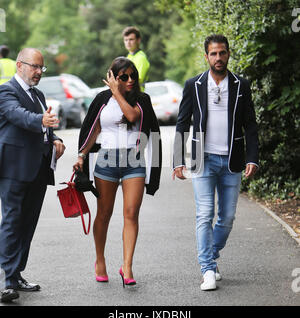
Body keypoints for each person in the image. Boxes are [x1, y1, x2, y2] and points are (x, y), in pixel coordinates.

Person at [173, 34, 259, 291]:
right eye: (213, 54)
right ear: (206, 56)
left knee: (228, 217)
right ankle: (207, 269)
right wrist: (178, 159)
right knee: (204, 214)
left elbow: (250, 125)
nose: (218, 58)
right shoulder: (194, 85)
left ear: (228, 54)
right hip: (203, 159)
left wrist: (253, 157)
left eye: (222, 53)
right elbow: (182, 122)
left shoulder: (241, 85)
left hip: (232, 160)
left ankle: (210, 255)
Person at [73, 57, 161, 287]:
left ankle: (127, 266)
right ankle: (100, 259)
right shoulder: (102, 99)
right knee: (104, 213)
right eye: (124, 77)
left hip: (134, 160)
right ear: (113, 76)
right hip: (107, 160)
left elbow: (132, 116)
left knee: (131, 213)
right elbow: (93, 129)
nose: (130, 80)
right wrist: (81, 155)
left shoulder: (142, 99)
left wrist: (117, 91)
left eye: (133, 76)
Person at [0, 48, 66, 303]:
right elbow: (18, 115)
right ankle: (8, 281)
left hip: (38, 168)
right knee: (12, 221)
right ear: (19, 65)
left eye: (42, 68)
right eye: (34, 67)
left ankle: (16, 274)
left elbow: (45, 127)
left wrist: (57, 138)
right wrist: (42, 120)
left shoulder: (38, 94)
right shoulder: (6, 91)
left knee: (27, 224)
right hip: (13, 169)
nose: (39, 72)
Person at [123, 26, 150, 91]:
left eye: (131, 39)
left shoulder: (141, 58)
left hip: (137, 97)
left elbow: (138, 80)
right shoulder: (128, 57)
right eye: (126, 40)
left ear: (138, 40)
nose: (128, 43)